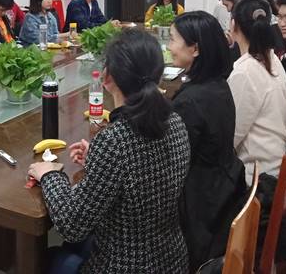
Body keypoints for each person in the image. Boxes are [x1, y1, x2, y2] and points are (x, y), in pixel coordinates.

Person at [28, 29, 190, 273]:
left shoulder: (115, 139)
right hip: (172, 260)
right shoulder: (175, 121)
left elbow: (72, 225)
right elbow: (143, 172)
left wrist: (50, 175)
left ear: (106, 78)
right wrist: (97, 161)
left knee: (50, 259)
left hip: (124, 266)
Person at [168, 11, 246, 271]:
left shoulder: (190, 102)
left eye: (173, 40)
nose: (169, 47)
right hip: (220, 191)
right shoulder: (217, 85)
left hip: (197, 207)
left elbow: (169, 164)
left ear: (195, 49)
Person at [228, 0, 286, 184]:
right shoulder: (272, 59)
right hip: (277, 160)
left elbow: (231, 137)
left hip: (256, 176)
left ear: (233, 25)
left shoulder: (244, 72)